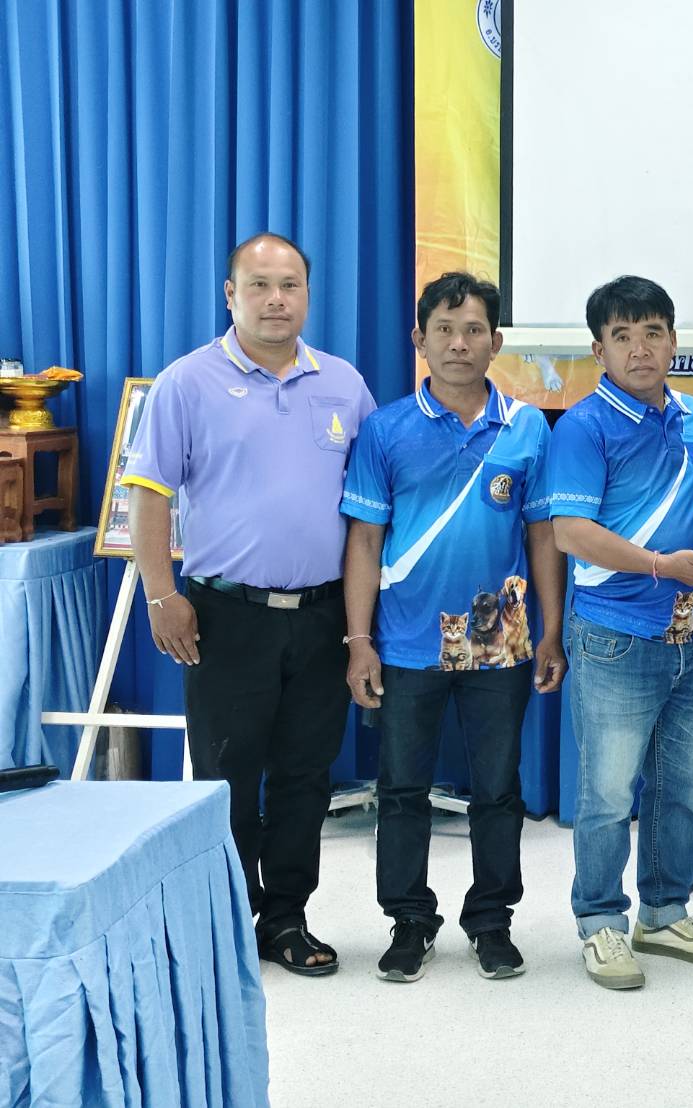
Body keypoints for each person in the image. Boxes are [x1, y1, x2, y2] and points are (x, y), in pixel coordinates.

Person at [124, 232, 375, 976]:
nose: (275, 300)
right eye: (258, 285)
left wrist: (359, 628)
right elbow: (148, 496)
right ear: (230, 295)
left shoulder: (343, 384)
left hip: (322, 615)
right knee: (227, 775)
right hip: (224, 616)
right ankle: (228, 917)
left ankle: (287, 918)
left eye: (290, 285)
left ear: (307, 295)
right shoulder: (187, 383)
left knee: (305, 775)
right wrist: (161, 594)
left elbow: (369, 509)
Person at [340, 272, 566, 983]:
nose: (459, 343)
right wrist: (358, 642)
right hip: (407, 641)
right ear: (420, 339)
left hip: (501, 639)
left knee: (497, 789)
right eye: (444, 329)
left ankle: (491, 921)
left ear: (496, 341)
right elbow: (364, 542)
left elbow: (542, 537)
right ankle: (409, 920)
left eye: (473, 331)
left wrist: (551, 631)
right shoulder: (385, 430)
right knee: (402, 789)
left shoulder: (527, 426)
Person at [547, 275, 693, 990]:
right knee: (606, 796)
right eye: (622, 337)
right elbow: (570, 532)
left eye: (652, 333)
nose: (639, 349)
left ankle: (662, 914)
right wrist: (662, 566)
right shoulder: (583, 427)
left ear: (673, 341)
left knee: (681, 790)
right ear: (599, 351)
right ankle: (600, 921)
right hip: (615, 636)